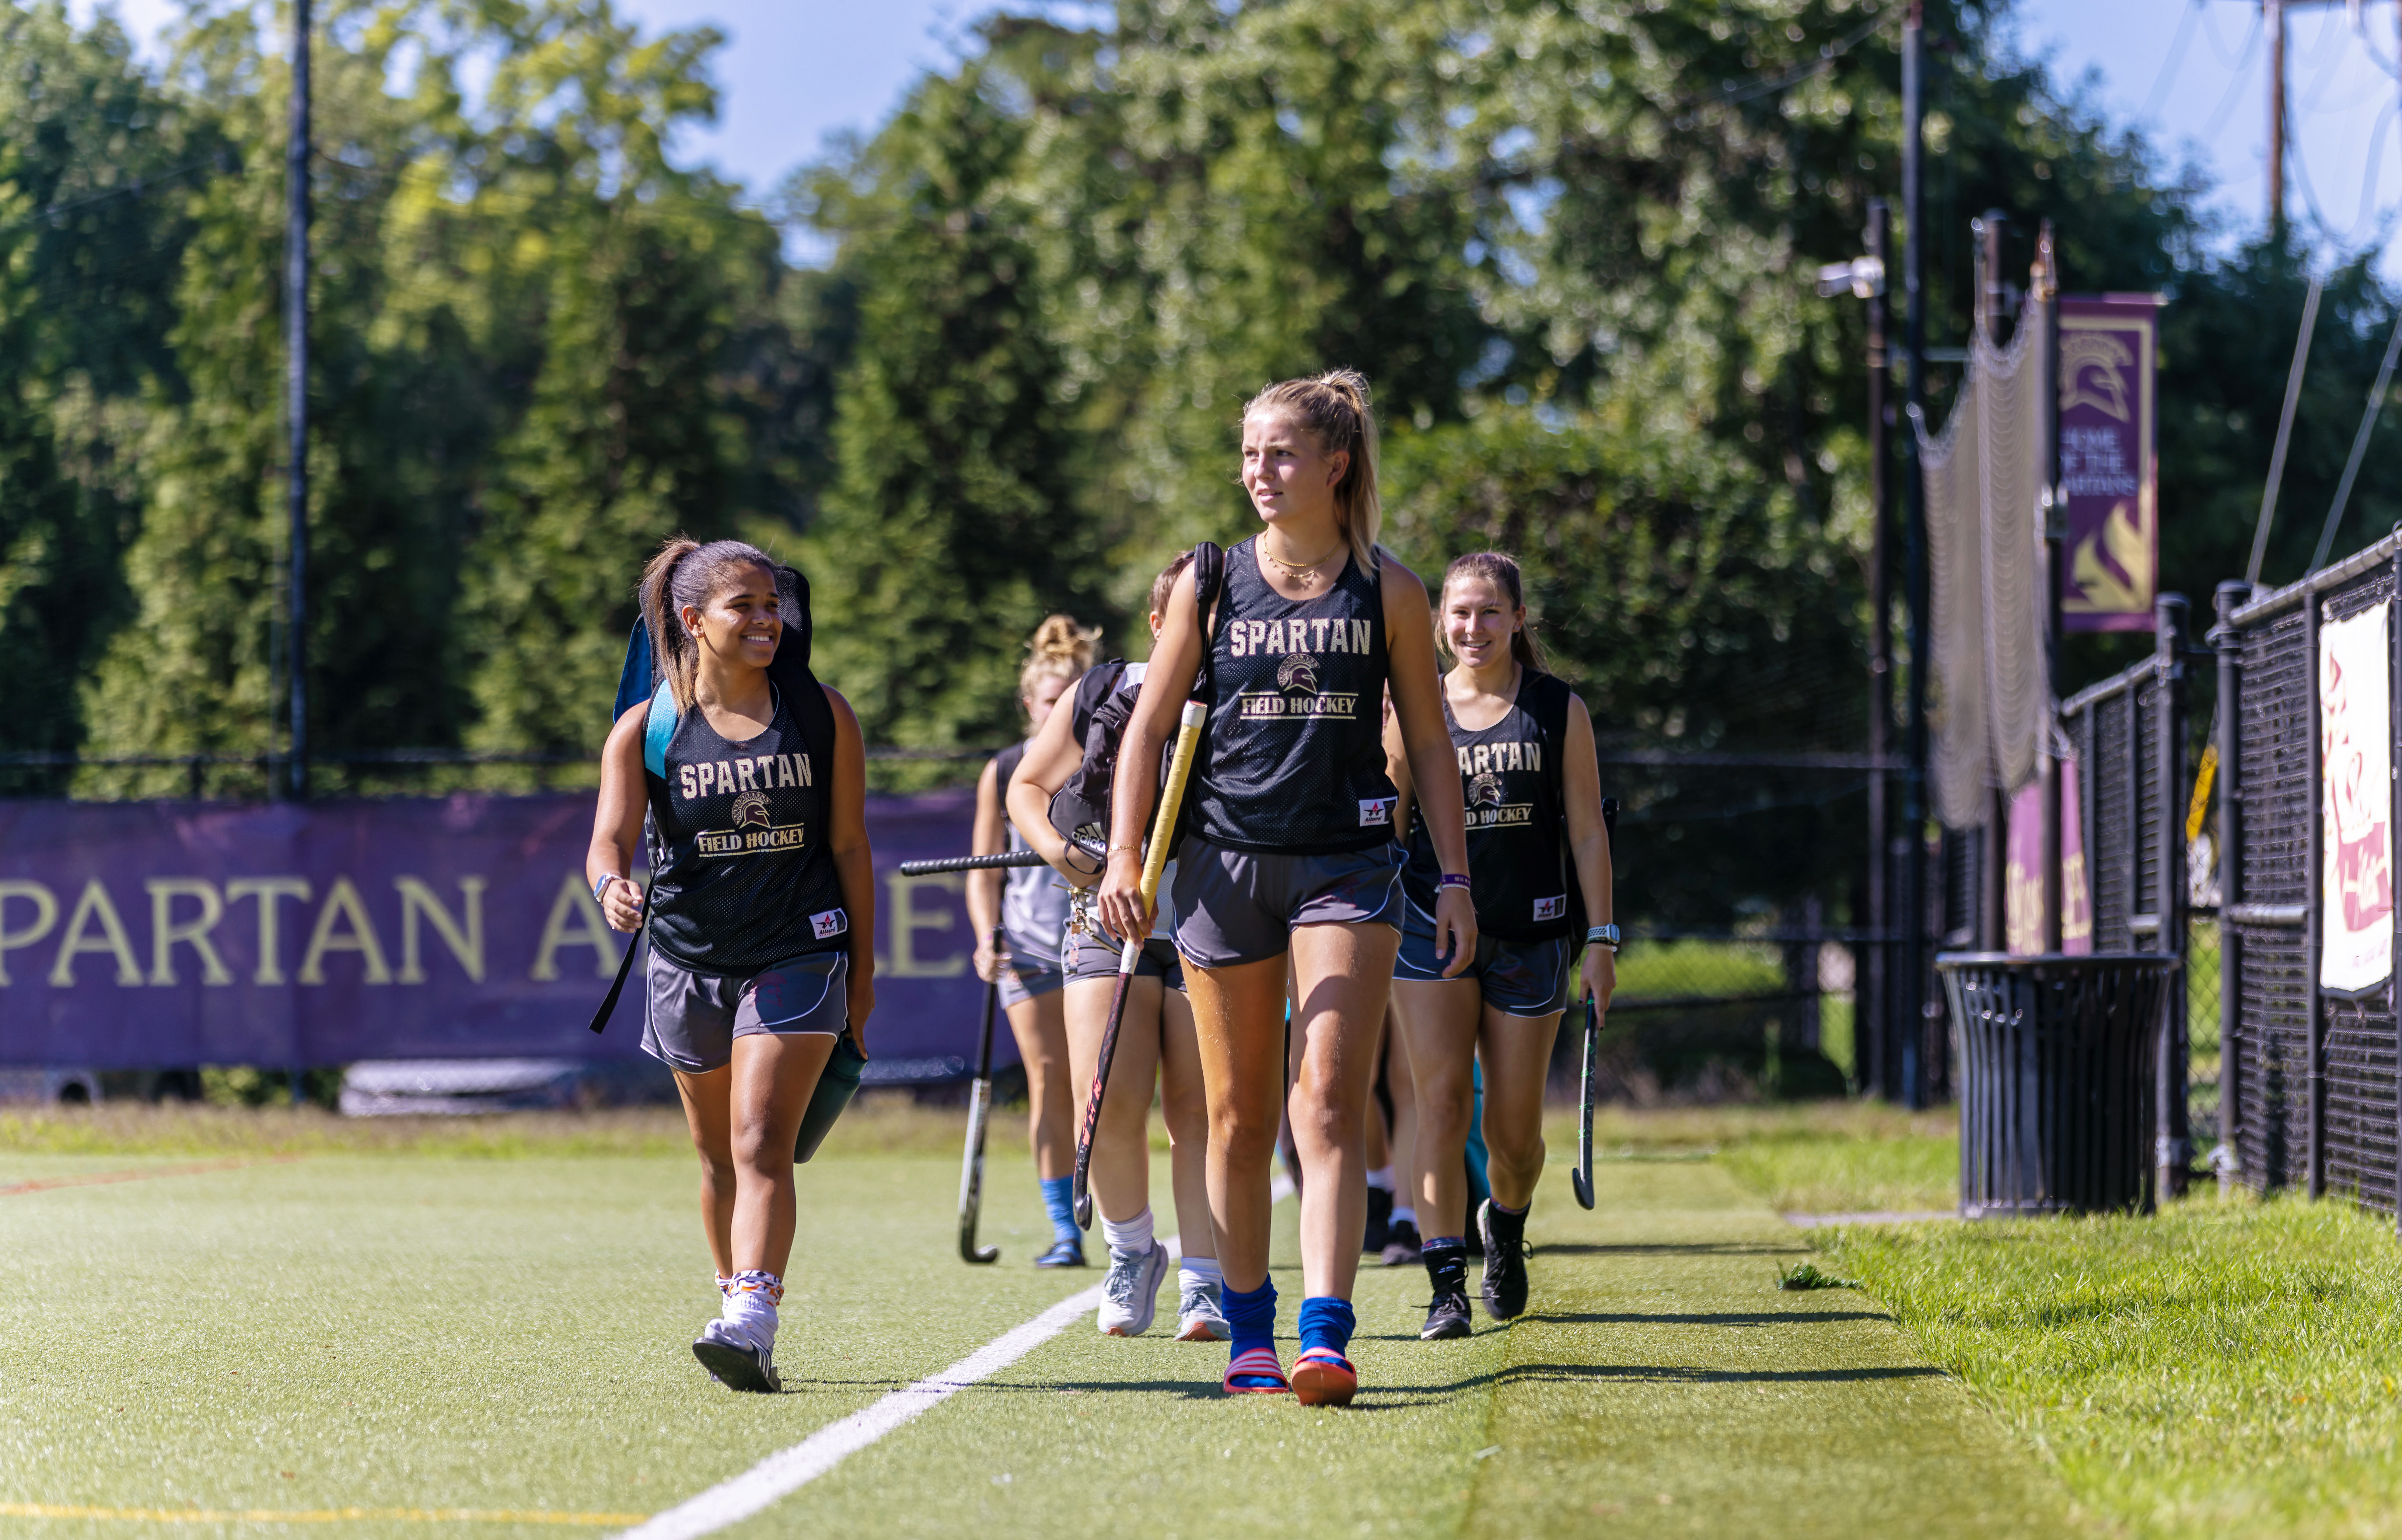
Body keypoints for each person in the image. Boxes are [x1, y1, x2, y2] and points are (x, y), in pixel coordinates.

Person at [1098, 370, 1474, 1407]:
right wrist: (1125, 855)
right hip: (1222, 868)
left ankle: (1326, 1332)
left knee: (1329, 1096)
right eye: (1250, 454)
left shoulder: (1389, 590)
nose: (1257, 472)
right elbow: (1146, 726)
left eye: (1279, 454)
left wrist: (1452, 874)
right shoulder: (1209, 581)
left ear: (1335, 464)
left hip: (1348, 865)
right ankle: (1250, 1331)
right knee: (1235, 1117)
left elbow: (1431, 745)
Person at [587, 537, 876, 1393]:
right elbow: (607, 836)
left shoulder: (822, 713)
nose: (765, 620)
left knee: (760, 1140)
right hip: (685, 955)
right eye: (743, 607)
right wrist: (611, 883)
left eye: (771, 604)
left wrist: (862, 971)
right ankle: (734, 1300)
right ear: (692, 620)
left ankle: (752, 1314)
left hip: (798, 945)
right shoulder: (648, 727)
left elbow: (851, 844)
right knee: (716, 1155)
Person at [1386, 552, 1615, 1339]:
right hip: (1429, 927)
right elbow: (1389, 822)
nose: (1471, 628)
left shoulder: (1557, 709)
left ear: (1518, 618)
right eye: (1457, 613)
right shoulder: (1414, 706)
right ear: (1438, 622)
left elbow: (1585, 829)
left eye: (1488, 611)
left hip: (1532, 934)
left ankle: (1504, 1225)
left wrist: (1602, 936)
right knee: (1441, 1102)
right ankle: (1443, 1283)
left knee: (1513, 1134)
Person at [1007, 553, 1228, 1342]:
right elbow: (1026, 787)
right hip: (1106, 919)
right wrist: (1067, 856)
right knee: (1104, 1106)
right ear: (1154, 622)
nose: (1195, 637)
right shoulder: (1103, 688)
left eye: (1211, 623)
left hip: (1211, 925)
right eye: (1181, 619)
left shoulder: (1238, 695)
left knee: (1197, 1110)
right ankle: (1132, 1248)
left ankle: (1204, 1277)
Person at [967, 617, 1098, 1267]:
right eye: (1050, 700)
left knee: (1097, 1081)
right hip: (1029, 944)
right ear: (1030, 704)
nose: (1060, 710)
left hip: (1095, 939)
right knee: (1048, 1080)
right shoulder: (1005, 770)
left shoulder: (1109, 756)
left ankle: (1108, 1204)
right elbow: (984, 867)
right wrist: (984, 936)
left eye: (1072, 695)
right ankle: (1064, 1230)